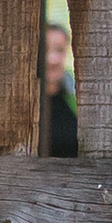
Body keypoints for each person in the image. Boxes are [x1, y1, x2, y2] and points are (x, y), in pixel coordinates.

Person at [42, 18, 79, 156]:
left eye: (59, 50)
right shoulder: (19, 104)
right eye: (45, 49)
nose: (52, 59)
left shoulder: (76, 99)